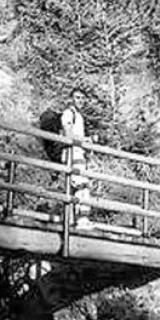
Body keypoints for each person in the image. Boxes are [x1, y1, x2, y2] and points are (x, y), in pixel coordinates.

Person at [61, 88, 94, 229]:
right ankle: (82, 221)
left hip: (79, 155)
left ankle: (69, 221)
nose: (80, 100)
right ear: (71, 99)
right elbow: (68, 134)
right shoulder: (69, 114)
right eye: (77, 97)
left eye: (82, 98)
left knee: (74, 188)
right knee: (82, 186)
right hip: (71, 155)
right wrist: (86, 139)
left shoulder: (79, 116)